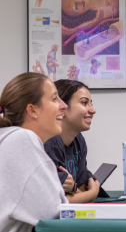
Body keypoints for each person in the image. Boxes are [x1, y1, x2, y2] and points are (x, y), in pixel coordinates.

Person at [0, 72, 69, 231]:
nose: (63, 105)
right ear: (32, 110)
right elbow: (51, 214)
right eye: (54, 99)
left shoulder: (10, 139)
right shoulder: (21, 139)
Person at [44, 79, 100, 203]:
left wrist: (75, 189)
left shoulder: (79, 140)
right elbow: (58, 200)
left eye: (91, 103)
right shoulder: (51, 141)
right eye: (84, 103)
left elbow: (78, 187)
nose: (93, 110)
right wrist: (92, 193)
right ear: (62, 107)